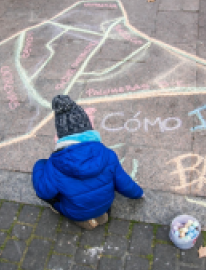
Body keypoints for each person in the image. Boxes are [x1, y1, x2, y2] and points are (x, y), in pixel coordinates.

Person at [32, 95, 144, 230]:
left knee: (55, 199)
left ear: (62, 135)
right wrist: (139, 194)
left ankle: (86, 221)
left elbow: (44, 193)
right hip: (105, 204)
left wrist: (39, 165)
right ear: (88, 127)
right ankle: (100, 215)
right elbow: (125, 183)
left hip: (76, 211)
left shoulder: (54, 164)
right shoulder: (108, 155)